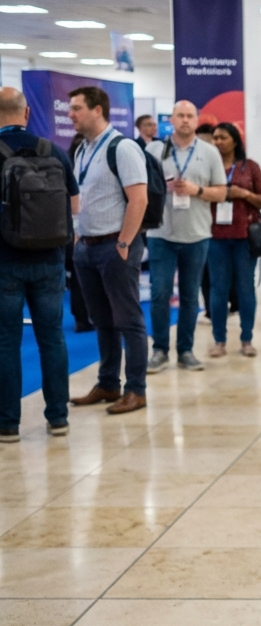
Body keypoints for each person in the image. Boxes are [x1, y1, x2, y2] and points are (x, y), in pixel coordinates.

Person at [0, 87, 79, 440]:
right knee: (52, 339)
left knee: (6, 342)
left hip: (5, 261)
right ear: (27, 113)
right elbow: (74, 207)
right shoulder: (54, 152)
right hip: (49, 259)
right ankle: (58, 418)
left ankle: (8, 424)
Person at [67, 86, 149, 415]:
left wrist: (125, 244)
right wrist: (76, 239)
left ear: (97, 110)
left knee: (128, 321)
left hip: (116, 246)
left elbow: (139, 199)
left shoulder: (122, 147)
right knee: (102, 321)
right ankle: (108, 383)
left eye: (76, 108)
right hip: (86, 247)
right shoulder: (81, 150)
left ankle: (136, 389)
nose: (70, 114)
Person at [145, 101, 226, 374]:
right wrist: (160, 188)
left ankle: (185, 351)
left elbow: (222, 193)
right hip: (161, 233)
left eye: (190, 116)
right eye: (180, 115)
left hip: (197, 234)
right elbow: (140, 188)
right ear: (171, 119)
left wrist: (197, 190)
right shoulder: (154, 150)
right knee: (160, 294)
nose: (185, 120)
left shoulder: (209, 152)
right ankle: (159, 350)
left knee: (191, 296)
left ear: (196, 119)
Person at [208, 122, 261, 358]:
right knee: (218, 289)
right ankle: (219, 340)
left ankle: (247, 339)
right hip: (215, 237)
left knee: (245, 288)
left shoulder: (249, 167)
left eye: (223, 137)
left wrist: (243, 194)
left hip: (245, 238)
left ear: (234, 140)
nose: (218, 142)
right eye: (215, 138)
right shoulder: (209, 166)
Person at [65, 131, 93, 333]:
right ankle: (88, 317)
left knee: (77, 278)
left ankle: (81, 319)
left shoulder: (64, 170)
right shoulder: (82, 173)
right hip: (83, 231)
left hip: (70, 232)